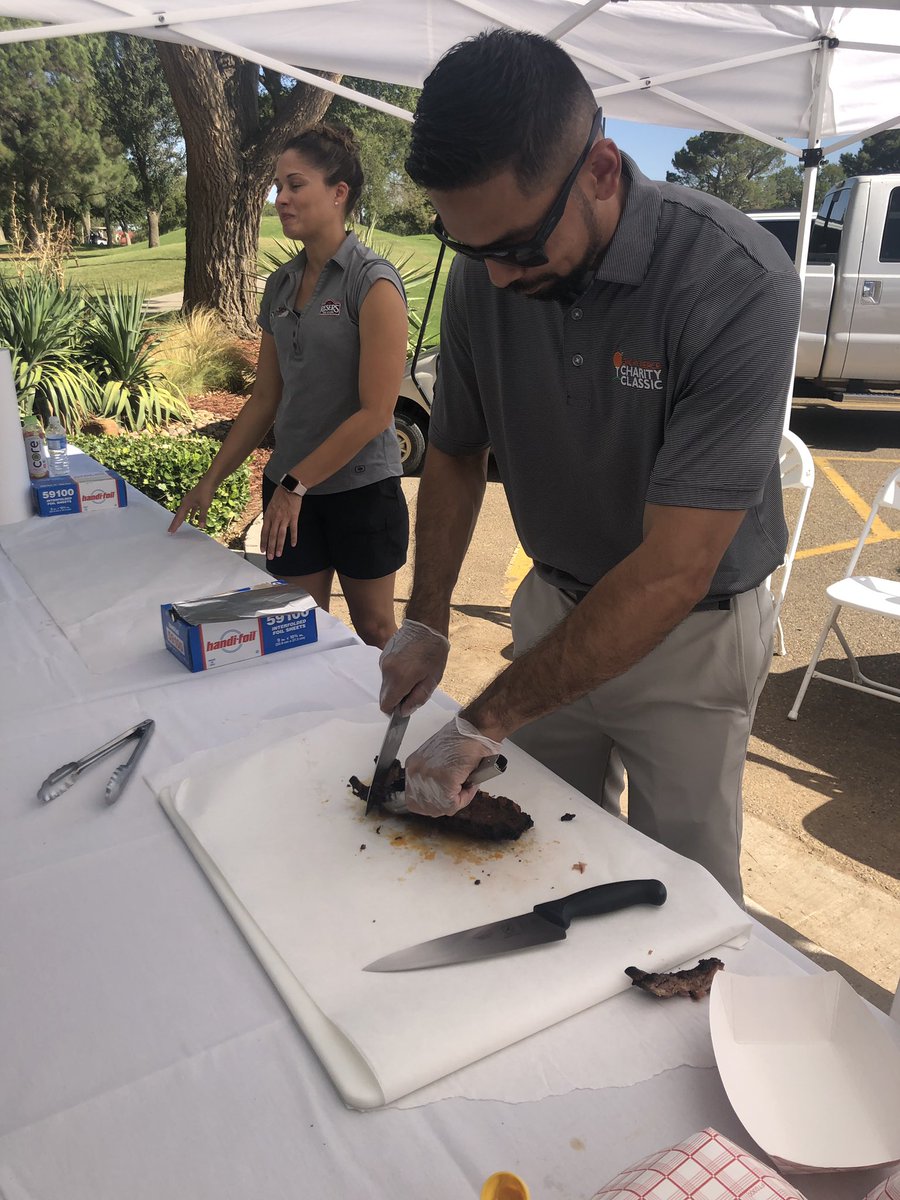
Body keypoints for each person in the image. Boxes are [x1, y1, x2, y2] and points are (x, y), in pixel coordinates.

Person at [377, 31, 801, 902]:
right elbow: (456, 448)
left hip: (694, 634)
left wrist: (487, 715)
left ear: (602, 170)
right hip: (553, 607)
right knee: (537, 864)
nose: (495, 278)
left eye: (520, 247)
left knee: (680, 890)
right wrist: (426, 617)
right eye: (471, 249)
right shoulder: (484, 276)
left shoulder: (735, 280)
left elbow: (673, 569)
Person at [169, 122, 410, 648]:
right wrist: (212, 479)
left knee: (374, 631)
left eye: (295, 184)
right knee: (297, 627)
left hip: (359, 491)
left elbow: (376, 412)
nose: (281, 198)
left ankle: (390, 730)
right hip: (288, 491)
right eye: (279, 186)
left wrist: (297, 485)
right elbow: (264, 399)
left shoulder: (374, 283)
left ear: (339, 193)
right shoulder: (279, 284)